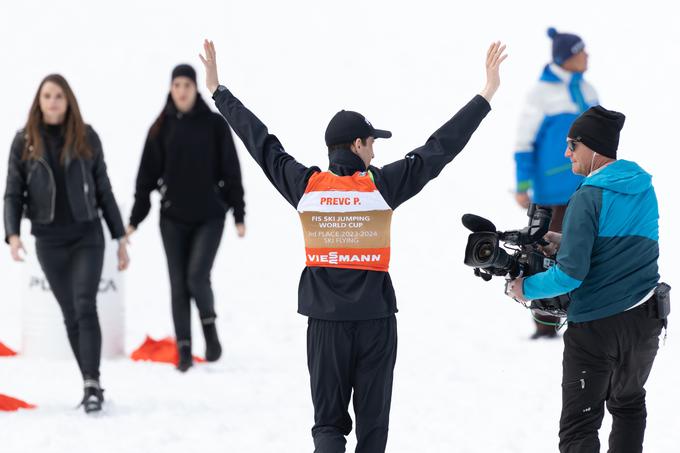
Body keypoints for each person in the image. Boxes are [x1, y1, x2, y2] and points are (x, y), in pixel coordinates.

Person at [199, 39, 506, 452]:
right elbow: (439, 149)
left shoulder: (305, 187)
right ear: (358, 145)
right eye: (372, 143)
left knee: (328, 426)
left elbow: (262, 143)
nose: (375, 150)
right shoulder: (380, 186)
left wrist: (220, 93)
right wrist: (485, 95)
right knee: (373, 431)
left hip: (325, 324)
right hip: (376, 321)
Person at [506, 106, 666, 453]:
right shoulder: (643, 189)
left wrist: (525, 289)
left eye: (572, 145)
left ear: (592, 147)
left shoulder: (588, 195)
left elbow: (569, 275)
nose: (567, 153)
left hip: (596, 329)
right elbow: (620, 245)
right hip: (645, 322)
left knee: (579, 427)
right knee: (628, 405)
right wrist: (563, 239)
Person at [3, 74, 129, 413]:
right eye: (47, 96)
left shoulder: (86, 138)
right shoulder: (24, 142)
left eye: (59, 95)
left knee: (85, 304)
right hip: (48, 241)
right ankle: (91, 381)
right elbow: (13, 192)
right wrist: (12, 234)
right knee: (71, 313)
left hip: (87, 235)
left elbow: (104, 189)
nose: (53, 101)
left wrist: (120, 238)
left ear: (68, 99)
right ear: (39, 101)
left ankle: (91, 384)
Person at [126, 64, 246, 372]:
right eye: (177, 85)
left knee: (196, 276)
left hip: (210, 217)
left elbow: (231, 171)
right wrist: (134, 221)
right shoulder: (161, 127)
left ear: (195, 89)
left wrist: (238, 213)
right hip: (172, 220)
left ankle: (209, 331)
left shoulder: (215, 126)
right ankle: (184, 349)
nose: (182, 91)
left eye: (187, 85)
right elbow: (145, 180)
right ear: (171, 89)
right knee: (178, 284)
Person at [513, 27, 599, 338]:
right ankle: (545, 324)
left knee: (589, 251)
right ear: (567, 57)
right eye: (581, 50)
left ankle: (584, 315)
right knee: (546, 254)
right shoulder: (542, 93)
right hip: (551, 193)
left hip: (586, 189)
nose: (587, 55)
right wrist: (523, 186)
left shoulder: (587, 91)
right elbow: (524, 143)